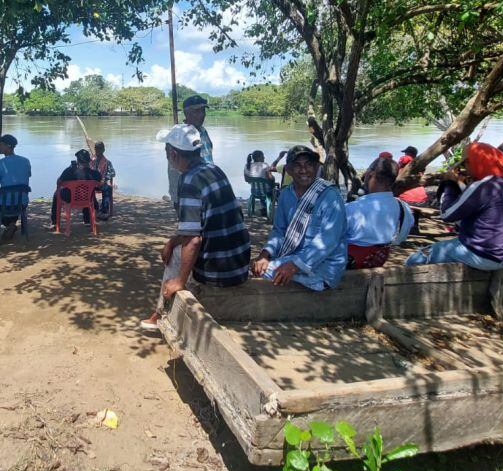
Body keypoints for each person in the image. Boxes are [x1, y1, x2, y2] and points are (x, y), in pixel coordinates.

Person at [140, 124, 250, 332]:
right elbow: (204, 225)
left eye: (166, 152)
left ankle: (161, 313)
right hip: (240, 260)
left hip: (220, 269)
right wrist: (173, 240)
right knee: (176, 246)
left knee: (175, 258)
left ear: (173, 154)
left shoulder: (189, 181)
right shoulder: (213, 169)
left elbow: (194, 240)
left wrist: (179, 281)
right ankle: (163, 309)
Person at [406, 142, 503, 270]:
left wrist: (449, 184)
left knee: (417, 258)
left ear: (474, 162)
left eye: (465, 163)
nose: (465, 168)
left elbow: (447, 214)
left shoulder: (483, 185)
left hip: (482, 253)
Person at [252, 147, 347, 289]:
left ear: (316, 168)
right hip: (293, 258)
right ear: (288, 170)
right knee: (256, 267)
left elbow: (328, 241)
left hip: (325, 266)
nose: (303, 170)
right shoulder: (285, 195)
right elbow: (279, 231)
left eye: (309, 164)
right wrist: (265, 254)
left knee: (258, 274)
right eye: (297, 165)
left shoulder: (331, 197)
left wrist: (294, 265)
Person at [345, 157, 414, 269]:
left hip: (347, 265)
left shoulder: (352, 209)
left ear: (370, 174)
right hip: (379, 260)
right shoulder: (403, 207)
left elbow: (330, 239)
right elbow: (401, 238)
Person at [167, 95, 213, 207]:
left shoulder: (203, 131)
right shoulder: (179, 135)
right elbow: (176, 167)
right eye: (197, 111)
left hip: (208, 188)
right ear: (186, 114)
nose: (201, 115)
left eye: (203, 111)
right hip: (188, 192)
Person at [0, 134, 32, 240]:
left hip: (5, 204)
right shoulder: (26, 161)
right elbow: (27, 176)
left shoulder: (0, 164)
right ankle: (12, 223)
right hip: (22, 202)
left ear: (8, 146)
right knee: (13, 199)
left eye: (0, 144)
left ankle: (9, 224)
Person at [51, 149, 102, 228]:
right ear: (89, 161)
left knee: (56, 194)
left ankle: (54, 222)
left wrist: (70, 168)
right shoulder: (95, 174)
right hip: (88, 199)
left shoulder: (69, 171)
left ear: (77, 161)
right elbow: (100, 183)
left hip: (70, 198)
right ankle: (87, 220)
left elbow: (58, 182)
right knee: (89, 192)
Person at [89, 141, 115, 219]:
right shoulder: (91, 160)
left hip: (102, 184)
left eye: (100, 149)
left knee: (108, 188)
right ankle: (96, 207)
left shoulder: (107, 162)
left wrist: (105, 178)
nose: (98, 151)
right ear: (95, 150)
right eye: (96, 149)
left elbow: (113, 173)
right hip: (92, 184)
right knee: (88, 189)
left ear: (103, 150)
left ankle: (104, 211)